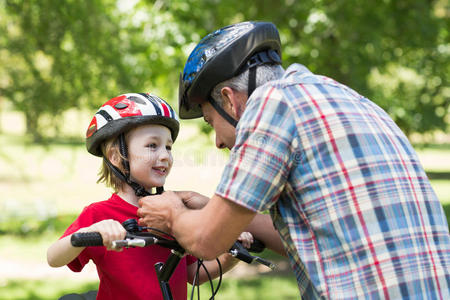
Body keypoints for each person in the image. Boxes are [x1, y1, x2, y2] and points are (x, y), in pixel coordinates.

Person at [137, 21, 450, 299]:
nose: (217, 141)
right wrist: (215, 210)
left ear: (230, 101)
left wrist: (174, 213)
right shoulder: (351, 100)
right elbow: (314, 239)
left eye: (209, 122)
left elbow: (205, 241)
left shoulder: (272, 105)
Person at [47, 93, 254, 300]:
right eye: (152, 145)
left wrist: (230, 257)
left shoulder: (173, 212)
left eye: (169, 147)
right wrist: (90, 232)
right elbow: (53, 258)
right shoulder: (100, 214)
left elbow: (191, 275)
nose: (165, 155)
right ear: (116, 157)